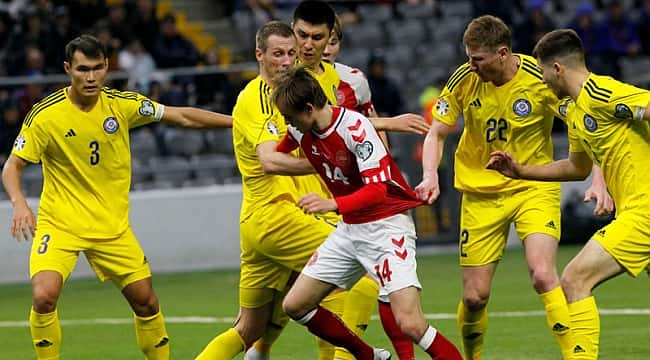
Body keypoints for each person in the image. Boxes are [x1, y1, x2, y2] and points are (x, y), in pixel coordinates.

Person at [1, 35, 233, 360]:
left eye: (98, 68)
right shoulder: (45, 115)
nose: (92, 77)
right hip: (60, 225)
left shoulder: (122, 105)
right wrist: (20, 204)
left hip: (112, 227)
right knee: (44, 296)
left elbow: (180, 116)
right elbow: (12, 166)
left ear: (107, 67)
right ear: (68, 69)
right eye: (83, 69)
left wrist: (236, 122)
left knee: (147, 302)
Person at [414, 15, 612, 360]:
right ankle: (472, 356)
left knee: (541, 273)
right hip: (480, 192)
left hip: (533, 185)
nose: (470, 65)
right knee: (475, 297)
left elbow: (588, 123)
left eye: (478, 59)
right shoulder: (464, 78)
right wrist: (430, 174)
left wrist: (598, 178)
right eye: (468, 57)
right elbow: (436, 132)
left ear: (503, 53)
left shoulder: (540, 79)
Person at [272, 65, 463, 360]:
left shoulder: (356, 129)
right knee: (295, 305)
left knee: (411, 324)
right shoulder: (301, 129)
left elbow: (378, 190)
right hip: (350, 229)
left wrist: (332, 204)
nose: (288, 123)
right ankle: (367, 355)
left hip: (387, 227)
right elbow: (276, 151)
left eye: (289, 116)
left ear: (308, 108)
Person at [487, 28, 650, 360]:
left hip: (644, 211)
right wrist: (521, 171)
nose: (541, 80)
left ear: (557, 68)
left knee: (575, 278)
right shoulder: (576, 113)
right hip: (633, 210)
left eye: (543, 71)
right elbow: (576, 168)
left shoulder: (603, 93)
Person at [322, 14, 417, 359]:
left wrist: (387, 170)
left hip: (358, 192)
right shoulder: (297, 84)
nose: (327, 48)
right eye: (322, 40)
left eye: (333, 41)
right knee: (298, 298)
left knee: (381, 284)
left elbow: (371, 128)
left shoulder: (355, 81)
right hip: (318, 191)